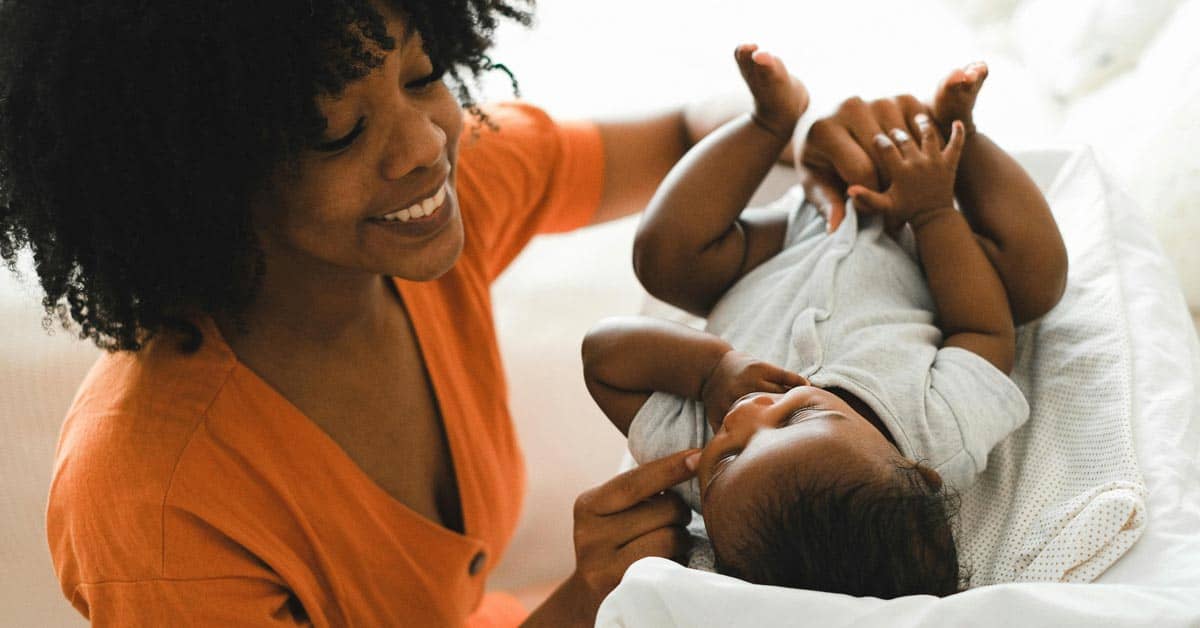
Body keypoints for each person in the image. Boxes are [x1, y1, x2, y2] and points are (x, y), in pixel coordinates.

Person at [582, 45, 1069, 596]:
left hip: (784, 247)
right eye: (794, 418)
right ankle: (960, 136)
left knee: (662, 257)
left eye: (728, 459)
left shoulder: (690, 450)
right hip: (923, 254)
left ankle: (768, 122)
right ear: (918, 475)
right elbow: (982, 330)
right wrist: (933, 212)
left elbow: (604, 355)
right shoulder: (939, 435)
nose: (746, 417)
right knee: (1036, 280)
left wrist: (712, 369)